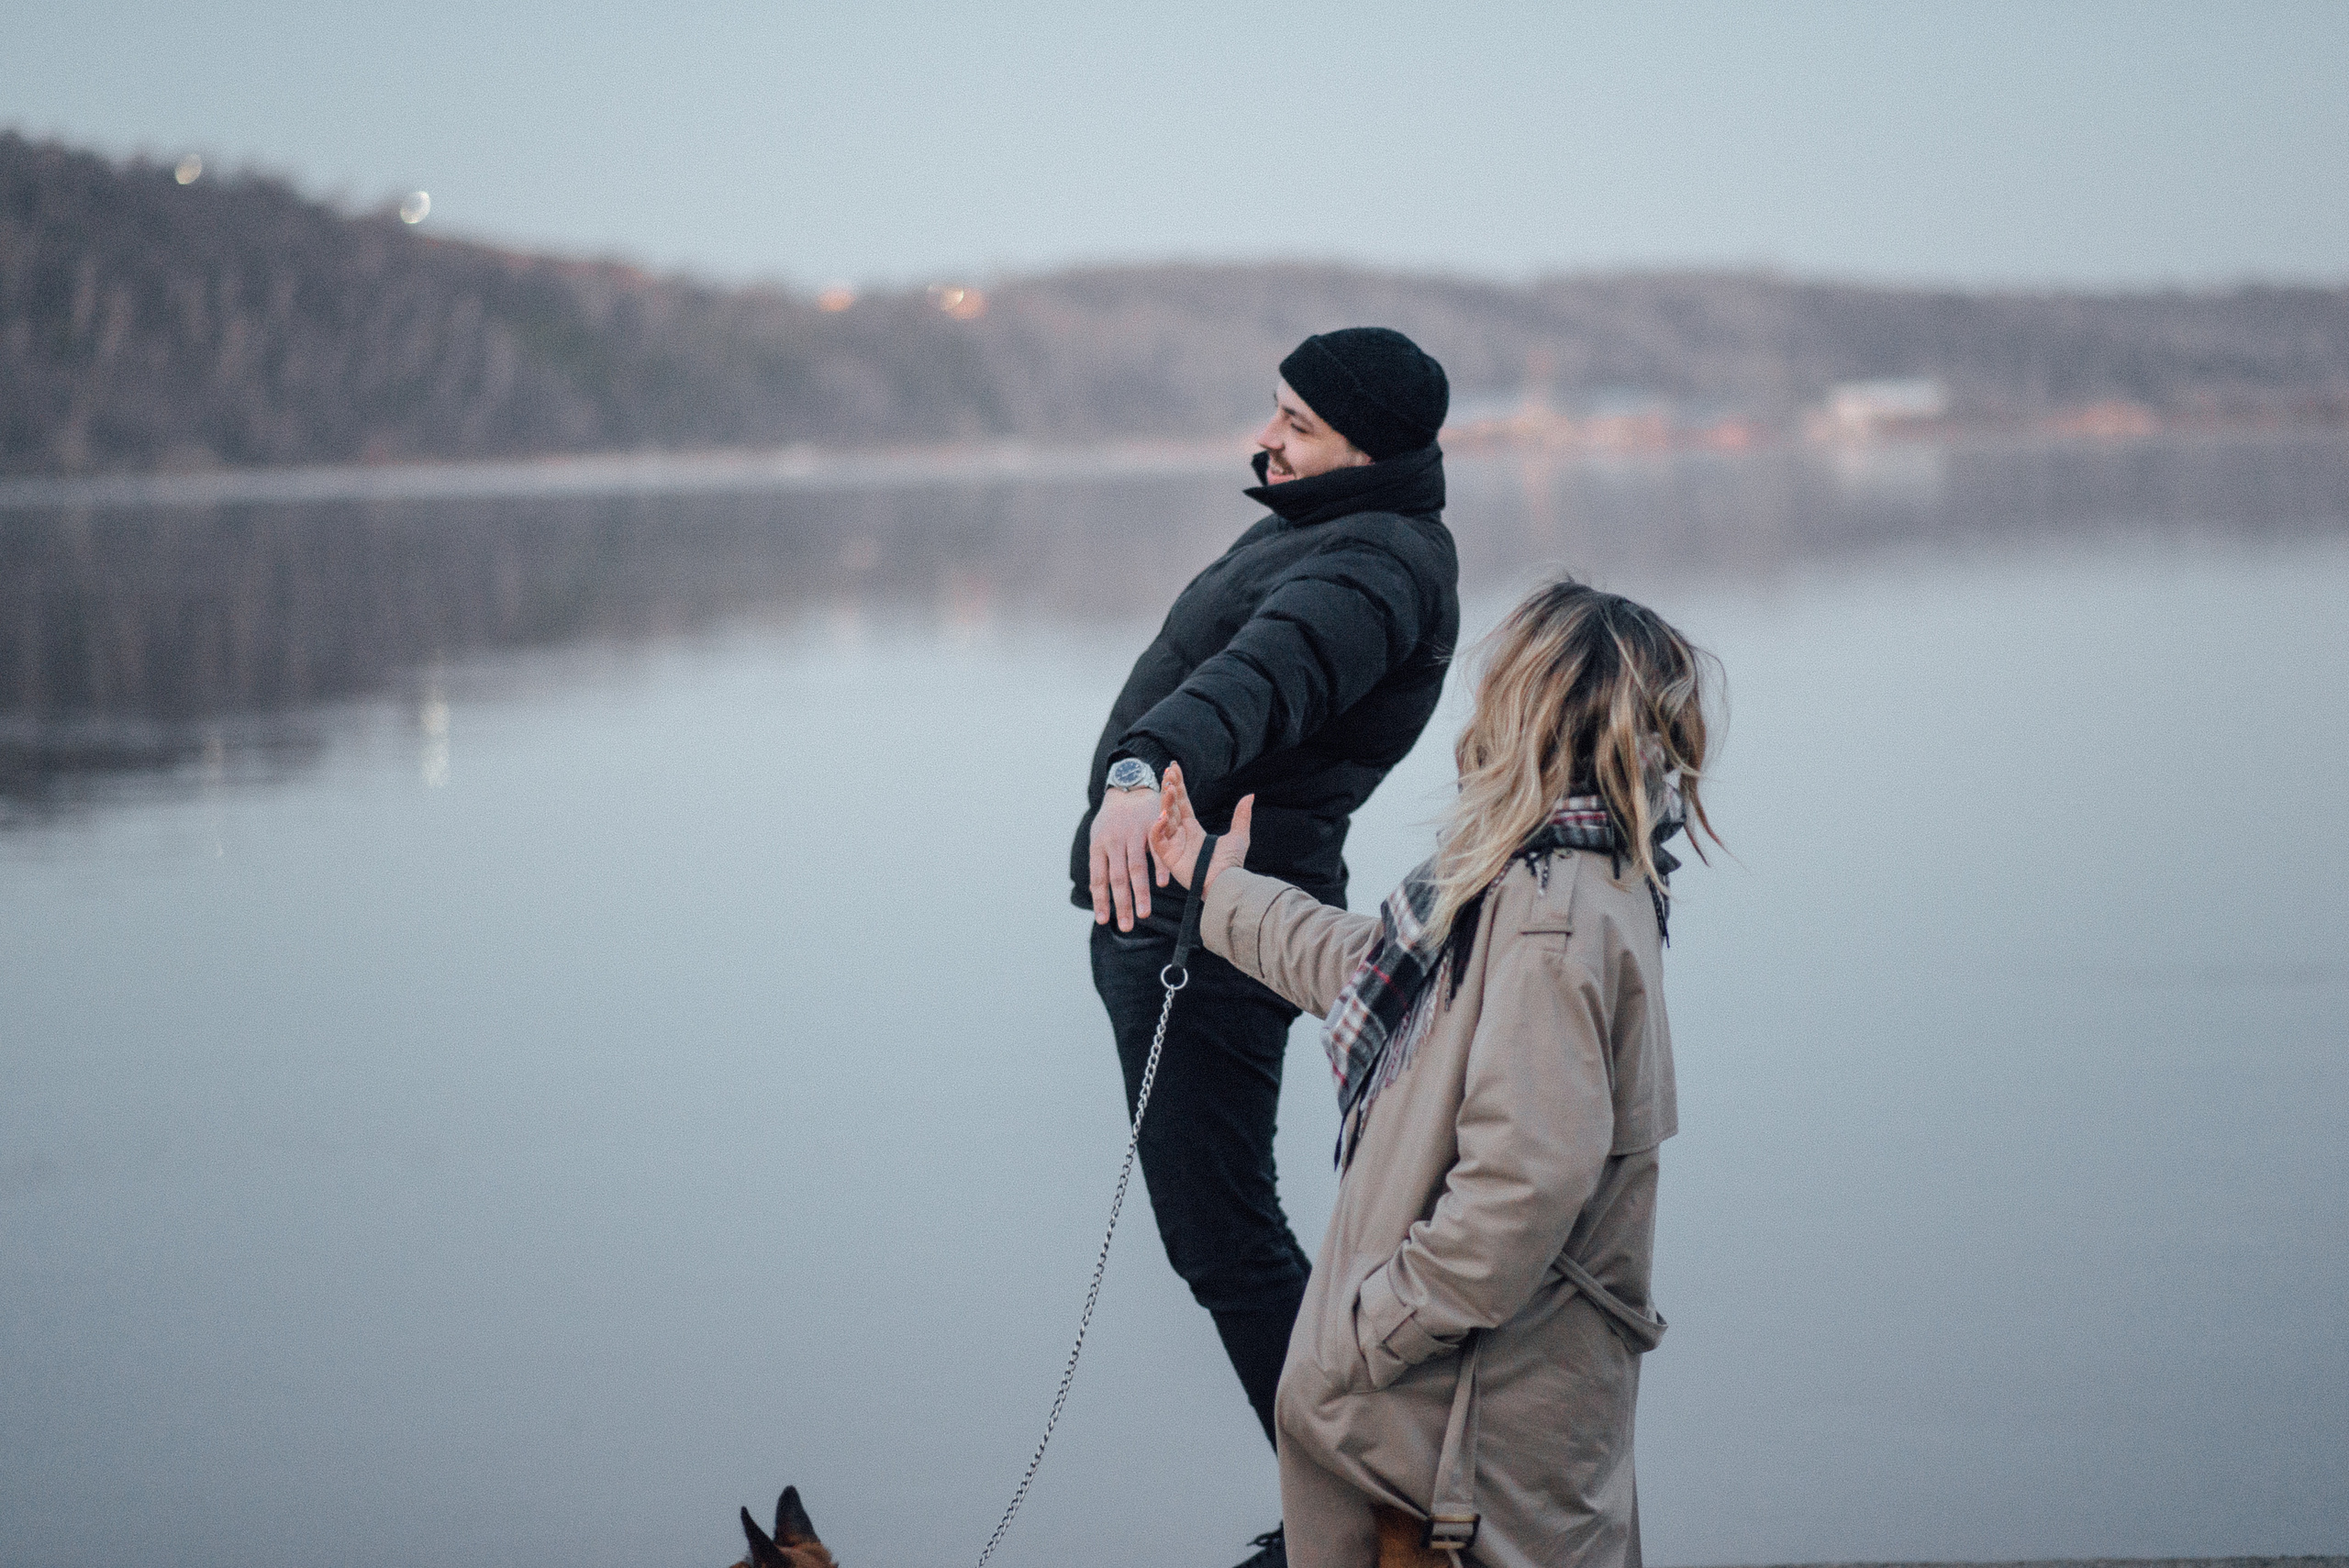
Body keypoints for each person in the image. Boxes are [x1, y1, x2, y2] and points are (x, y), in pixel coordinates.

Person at [1147, 580, 1720, 1568]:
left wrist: (1369, 1329)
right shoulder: (1548, 878)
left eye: (1497, 691)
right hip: (1466, 1425)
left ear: (1536, 711)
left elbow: (1523, 1182)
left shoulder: (1551, 916)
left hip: (1463, 1448)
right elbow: (1377, 973)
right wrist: (1215, 885)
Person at [1074, 328, 1459, 1568]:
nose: (1267, 438)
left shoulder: (1375, 564)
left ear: (1366, 441)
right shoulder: (1324, 526)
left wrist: (1145, 769)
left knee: (1226, 1236)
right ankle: (1353, 1507)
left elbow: (1261, 678)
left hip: (1217, 926)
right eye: (1272, 412)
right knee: (1233, 1232)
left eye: (1294, 421)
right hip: (1196, 918)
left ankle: (1363, 1520)